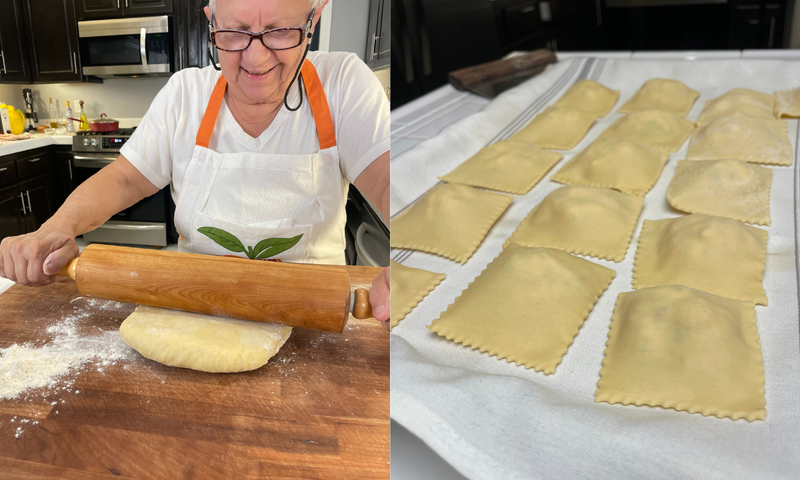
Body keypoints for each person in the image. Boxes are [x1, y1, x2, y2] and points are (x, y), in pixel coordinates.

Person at [0, 0, 391, 330]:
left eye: (279, 31)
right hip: (193, 309)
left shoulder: (343, 83)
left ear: (312, 22)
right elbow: (123, 180)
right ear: (212, 23)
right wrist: (57, 227)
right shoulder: (185, 94)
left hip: (313, 317)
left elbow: (392, 181)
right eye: (235, 33)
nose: (256, 58)